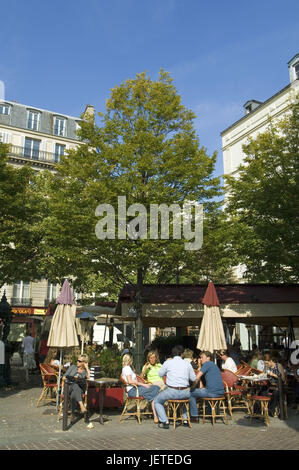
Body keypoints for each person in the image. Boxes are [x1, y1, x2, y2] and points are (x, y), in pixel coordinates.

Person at [153, 345, 197, 429]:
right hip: (185, 391)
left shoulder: (168, 363)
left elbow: (160, 374)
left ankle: (164, 420)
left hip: (172, 391)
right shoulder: (187, 364)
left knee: (157, 401)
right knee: (184, 400)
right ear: (181, 354)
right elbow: (193, 378)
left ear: (172, 354)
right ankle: (185, 419)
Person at [185, 350, 225, 420]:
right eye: (200, 358)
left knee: (190, 393)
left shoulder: (207, 364)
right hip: (220, 392)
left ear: (208, 358)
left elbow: (197, 377)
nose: (200, 359)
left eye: (202, 357)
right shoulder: (213, 365)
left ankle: (194, 416)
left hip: (211, 392)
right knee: (204, 390)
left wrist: (192, 387)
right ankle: (209, 413)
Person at [121, 353, 160, 423]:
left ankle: (155, 415)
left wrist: (143, 384)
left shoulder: (128, 368)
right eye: (131, 360)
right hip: (133, 391)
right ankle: (156, 413)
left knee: (153, 391)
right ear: (129, 360)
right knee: (156, 388)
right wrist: (143, 384)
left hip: (135, 389)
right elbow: (130, 381)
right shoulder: (126, 368)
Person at [63, 354, 90, 422]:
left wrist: (87, 368)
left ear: (84, 363)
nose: (77, 362)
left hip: (79, 390)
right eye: (77, 360)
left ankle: (72, 414)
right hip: (68, 387)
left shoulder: (85, 372)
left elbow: (89, 378)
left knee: (74, 393)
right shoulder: (72, 367)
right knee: (75, 385)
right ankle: (81, 406)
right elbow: (63, 377)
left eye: (79, 361)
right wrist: (72, 378)